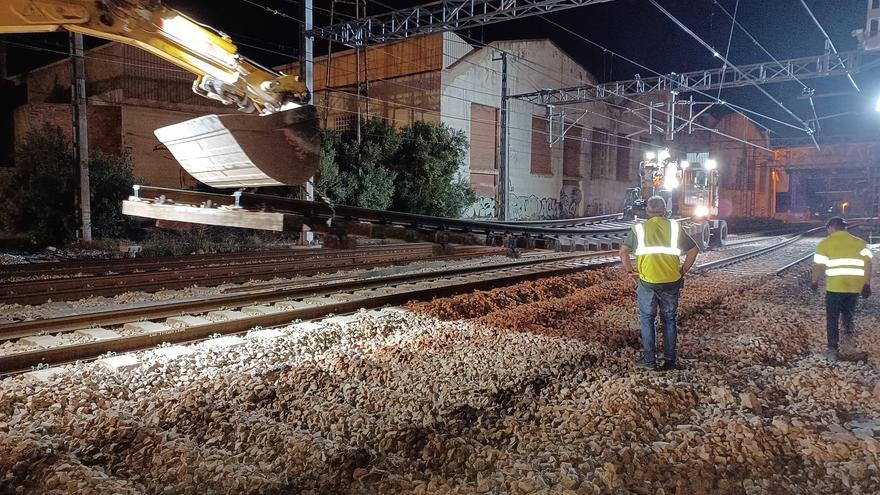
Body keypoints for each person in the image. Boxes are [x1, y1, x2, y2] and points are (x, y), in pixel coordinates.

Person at [620, 196, 700, 371]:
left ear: (648, 212)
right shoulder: (674, 227)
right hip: (671, 281)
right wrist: (683, 270)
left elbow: (623, 251)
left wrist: (631, 273)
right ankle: (670, 360)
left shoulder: (639, 229)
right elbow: (694, 249)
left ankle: (650, 361)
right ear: (665, 211)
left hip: (647, 282)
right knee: (669, 320)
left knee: (647, 320)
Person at [811, 216, 873, 361]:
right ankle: (848, 345)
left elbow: (818, 266)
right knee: (848, 315)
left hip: (835, 287)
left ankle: (833, 349)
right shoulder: (861, 243)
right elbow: (868, 264)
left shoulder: (825, 244)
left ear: (831, 227)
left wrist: (814, 282)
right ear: (844, 228)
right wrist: (867, 284)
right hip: (854, 288)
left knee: (832, 318)